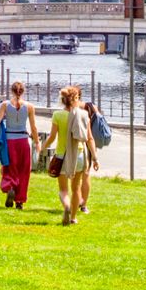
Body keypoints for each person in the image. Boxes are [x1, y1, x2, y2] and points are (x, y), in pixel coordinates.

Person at [49, 85, 97, 226]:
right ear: (76, 98)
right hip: (80, 155)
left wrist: (43, 147)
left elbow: (52, 137)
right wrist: (94, 157)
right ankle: (74, 217)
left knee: (63, 189)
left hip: (62, 156)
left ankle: (67, 206)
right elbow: (89, 138)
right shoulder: (84, 115)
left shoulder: (57, 115)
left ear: (63, 99)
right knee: (76, 188)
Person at [0, 80, 40, 211]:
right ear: (23, 91)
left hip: (9, 141)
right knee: (24, 171)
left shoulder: (5, 105)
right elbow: (33, 127)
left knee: (9, 168)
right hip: (23, 140)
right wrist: (37, 142)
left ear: (12, 91)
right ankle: (20, 201)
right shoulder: (29, 107)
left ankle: (10, 187)